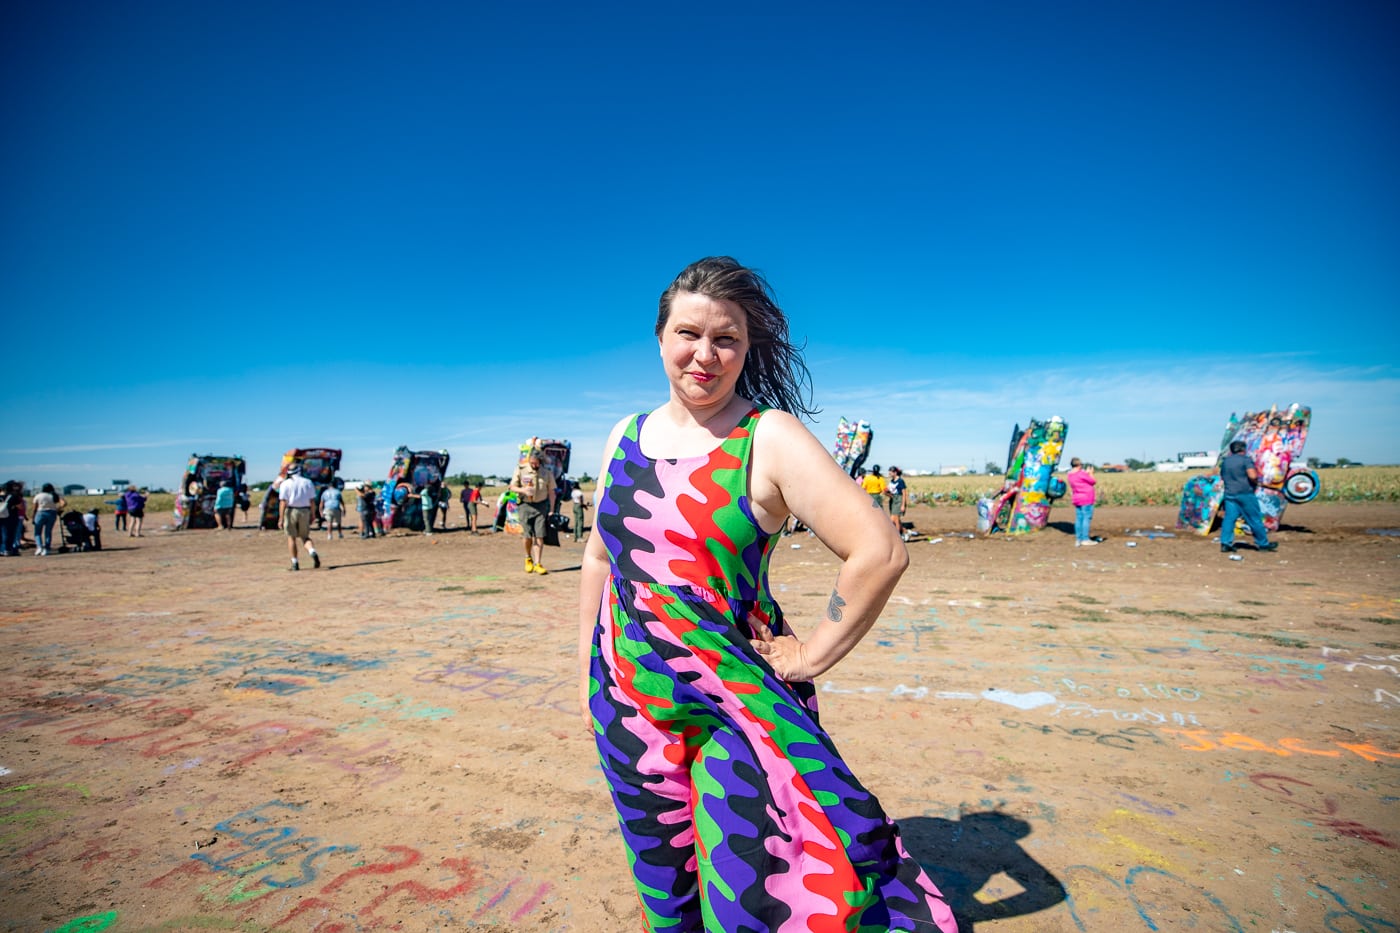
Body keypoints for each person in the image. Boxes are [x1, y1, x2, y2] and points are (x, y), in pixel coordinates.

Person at [577, 256, 956, 932]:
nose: (705, 354)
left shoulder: (768, 437)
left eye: (726, 339)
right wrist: (587, 673)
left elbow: (880, 549)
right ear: (660, 337)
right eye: (688, 333)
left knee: (756, 888)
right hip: (629, 701)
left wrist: (811, 653)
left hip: (736, 708)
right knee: (663, 882)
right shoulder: (622, 437)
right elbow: (601, 554)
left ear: (747, 350)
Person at [1219, 440, 1276, 554]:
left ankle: (1225, 543)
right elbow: (1252, 475)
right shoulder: (1246, 460)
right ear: (1243, 449)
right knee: (1254, 519)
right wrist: (1257, 481)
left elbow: (1222, 475)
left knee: (1229, 519)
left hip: (1230, 494)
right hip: (1245, 493)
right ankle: (1263, 544)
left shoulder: (1226, 462)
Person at [511, 450, 554, 574]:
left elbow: (552, 492)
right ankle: (528, 558)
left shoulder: (546, 473)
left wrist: (551, 510)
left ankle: (538, 563)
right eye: (531, 463)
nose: (533, 465)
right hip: (525, 506)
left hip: (541, 507)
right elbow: (512, 487)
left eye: (535, 463)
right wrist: (523, 491)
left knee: (540, 535)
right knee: (527, 536)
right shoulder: (520, 470)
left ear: (540, 462)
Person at [276, 463, 322, 571]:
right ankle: (312, 551)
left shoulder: (285, 484)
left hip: (291, 510)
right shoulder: (308, 482)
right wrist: (313, 514)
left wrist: (281, 518)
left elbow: (283, 502)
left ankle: (295, 562)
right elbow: (312, 501)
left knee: (291, 538)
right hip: (305, 511)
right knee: (305, 537)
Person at [1065, 458, 1098, 547]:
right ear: (1079, 465)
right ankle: (1085, 539)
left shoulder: (1070, 475)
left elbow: (1080, 479)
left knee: (1079, 519)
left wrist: (1086, 473)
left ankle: (1079, 539)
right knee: (1086, 518)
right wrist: (1090, 473)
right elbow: (1093, 481)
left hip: (1077, 498)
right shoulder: (1081, 474)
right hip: (1086, 498)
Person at [31, 483, 66, 556]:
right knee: (48, 532)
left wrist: (33, 517)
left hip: (41, 512)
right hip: (52, 513)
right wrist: (58, 509)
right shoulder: (53, 495)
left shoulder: (38, 496)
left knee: (37, 532)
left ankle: (39, 547)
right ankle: (47, 548)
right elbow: (64, 503)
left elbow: (35, 508)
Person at [886, 464, 909, 540]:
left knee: (893, 519)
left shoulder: (900, 481)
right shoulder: (892, 481)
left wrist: (903, 505)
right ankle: (905, 532)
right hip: (893, 500)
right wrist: (887, 492)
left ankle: (897, 537)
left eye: (891, 472)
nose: (889, 474)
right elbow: (890, 492)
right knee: (897, 520)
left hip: (899, 500)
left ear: (895, 472)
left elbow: (904, 493)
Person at [0, 481, 22, 556]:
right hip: (10, 517)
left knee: (1, 533)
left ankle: (1, 549)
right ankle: (7, 549)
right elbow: (20, 507)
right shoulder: (13, 496)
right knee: (9, 534)